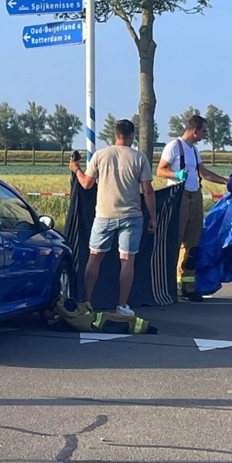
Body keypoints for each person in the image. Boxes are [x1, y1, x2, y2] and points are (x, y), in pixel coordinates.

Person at [69, 119, 157, 317]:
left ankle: (86, 302)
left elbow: (86, 184)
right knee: (127, 260)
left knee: (94, 257)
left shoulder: (100, 155)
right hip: (132, 216)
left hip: (104, 215)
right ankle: (122, 305)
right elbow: (148, 191)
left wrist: (76, 169)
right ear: (132, 136)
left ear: (114, 135)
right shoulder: (139, 158)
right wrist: (153, 217)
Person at [156, 114, 229, 302]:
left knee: (192, 244)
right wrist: (176, 174)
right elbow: (160, 170)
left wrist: (225, 181)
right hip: (179, 197)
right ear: (194, 130)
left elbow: (203, 173)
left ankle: (187, 286)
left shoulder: (194, 150)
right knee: (175, 240)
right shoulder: (174, 146)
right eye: (203, 131)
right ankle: (168, 285)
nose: (204, 135)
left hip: (195, 196)